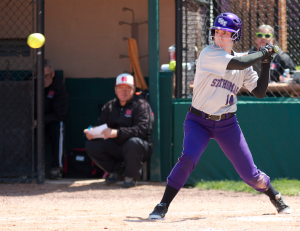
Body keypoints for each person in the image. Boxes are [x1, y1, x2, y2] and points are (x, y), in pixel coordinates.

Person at [149, 12, 291, 220]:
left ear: (235, 36)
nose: (221, 36)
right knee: (188, 157)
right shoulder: (209, 53)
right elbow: (240, 63)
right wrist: (263, 52)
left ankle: (274, 195)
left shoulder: (243, 61)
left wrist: (266, 61)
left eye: (227, 33)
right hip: (198, 121)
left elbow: (259, 92)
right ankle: (162, 205)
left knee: (250, 175)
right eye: (218, 31)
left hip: (227, 124)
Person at [84, 73, 153, 188]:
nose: (124, 92)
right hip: (116, 146)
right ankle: (116, 170)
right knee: (90, 144)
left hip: (139, 147)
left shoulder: (141, 105)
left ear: (133, 89)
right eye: (120, 88)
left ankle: (131, 176)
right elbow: (99, 125)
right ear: (116, 90)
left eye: (127, 88)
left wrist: (117, 133)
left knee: (133, 142)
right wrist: (91, 132)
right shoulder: (109, 106)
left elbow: (142, 130)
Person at [37, 59, 68, 179]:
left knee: (58, 126)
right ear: (35, 75)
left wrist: (39, 121)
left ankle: (57, 168)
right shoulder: (29, 83)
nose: (44, 79)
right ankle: (22, 169)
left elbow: (60, 114)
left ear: (53, 73)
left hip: (50, 121)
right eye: (40, 77)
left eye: (47, 76)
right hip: (32, 121)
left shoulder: (59, 87)